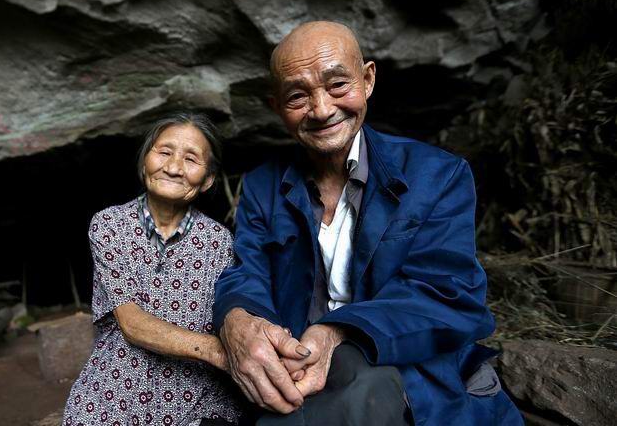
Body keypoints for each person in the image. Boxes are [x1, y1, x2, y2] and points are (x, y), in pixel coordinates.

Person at [212, 22, 523, 425]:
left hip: (400, 364)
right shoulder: (261, 186)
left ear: (368, 79)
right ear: (276, 107)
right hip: (299, 368)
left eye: (338, 85)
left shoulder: (438, 175)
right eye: (297, 96)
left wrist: (337, 332)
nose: (322, 109)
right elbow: (246, 271)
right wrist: (238, 319)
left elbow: (448, 293)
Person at [63, 112, 242, 426]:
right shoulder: (110, 226)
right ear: (145, 159)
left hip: (196, 395)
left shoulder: (219, 242)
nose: (173, 168)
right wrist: (219, 352)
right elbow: (132, 324)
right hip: (116, 389)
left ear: (208, 179)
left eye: (191, 159)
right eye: (164, 152)